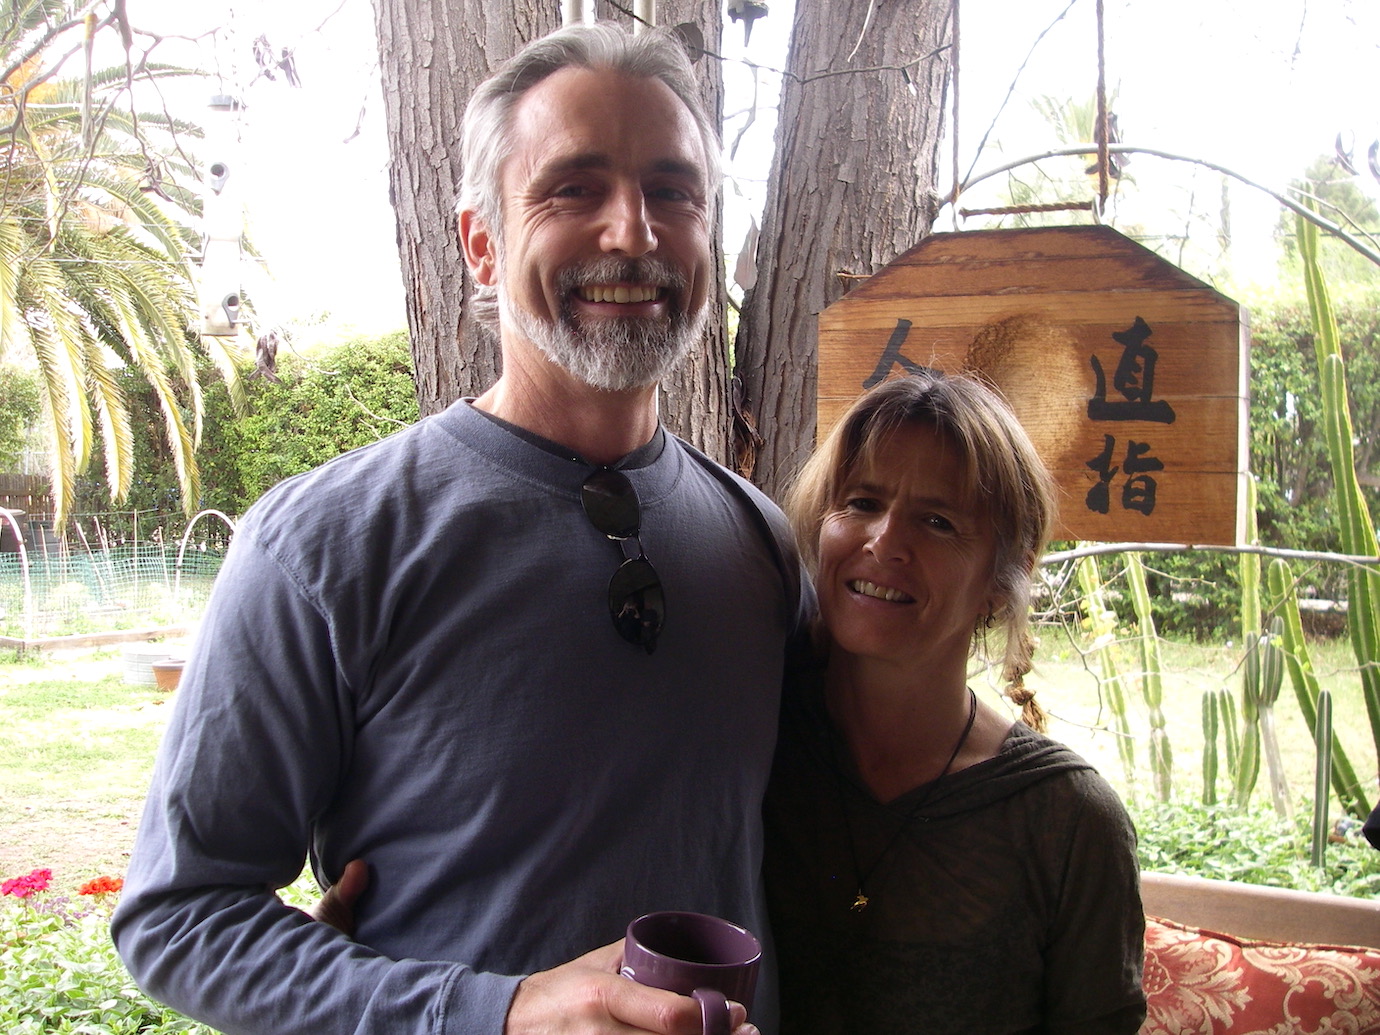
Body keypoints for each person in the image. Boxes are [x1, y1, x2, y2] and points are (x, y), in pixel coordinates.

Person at [112, 23, 810, 1035]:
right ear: (481, 240)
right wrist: (496, 1012)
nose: (633, 232)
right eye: (573, 189)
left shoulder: (759, 544)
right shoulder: (324, 546)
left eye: (674, 190)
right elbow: (180, 918)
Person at [763, 372, 1146, 1033]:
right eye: (860, 501)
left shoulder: (1068, 824)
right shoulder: (750, 744)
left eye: (938, 521)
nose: (883, 541)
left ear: (1004, 578)